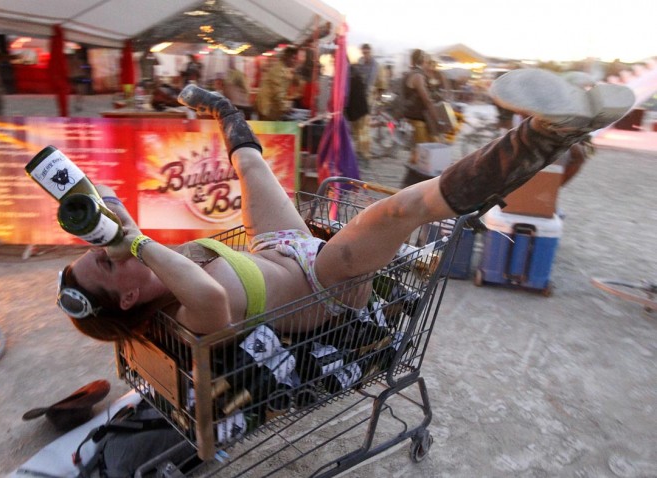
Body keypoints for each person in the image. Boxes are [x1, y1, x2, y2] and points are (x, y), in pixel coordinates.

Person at [56, 69, 634, 341]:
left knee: (253, 165)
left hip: (280, 249)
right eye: (106, 263)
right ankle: (543, 136)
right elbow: (207, 291)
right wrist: (129, 238)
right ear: (129, 297)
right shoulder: (181, 319)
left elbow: (162, 252)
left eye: (101, 251)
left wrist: (106, 210)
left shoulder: (155, 269)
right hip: (325, 287)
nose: (110, 251)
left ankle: (225, 110)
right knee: (395, 213)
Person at [400, 49, 444, 145]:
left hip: (413, 117)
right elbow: (427, 100)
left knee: (421, 150)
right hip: (418, 120)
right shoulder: (418, 76)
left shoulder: (410, 73)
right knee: (424, 151)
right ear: (424, 61)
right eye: (427, 62)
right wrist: (437, 119)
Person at [255, 46, 299, 121]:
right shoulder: (279, 70)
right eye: (293, 58)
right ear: (286, 57)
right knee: (267, 131)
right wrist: (285, 108)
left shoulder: (282, 68)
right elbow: (278, 92)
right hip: (268, 107)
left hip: (270, 106)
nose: (295, 61)